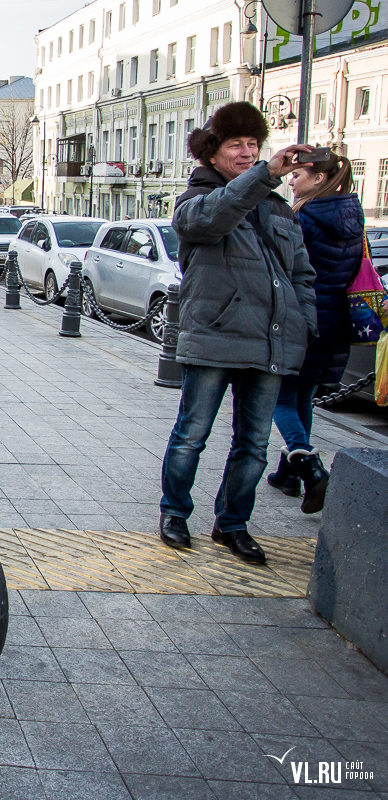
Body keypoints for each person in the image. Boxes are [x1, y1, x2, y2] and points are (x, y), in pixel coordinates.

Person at [158, 102, 317, 564]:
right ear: (212, 153)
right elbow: (214, 218)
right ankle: (174, 513)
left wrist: (302, 323)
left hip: (269, 341)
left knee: (254, 444)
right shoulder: (196, 200)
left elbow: (302, 274)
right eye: (236, 146)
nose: (247, 153)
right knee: (193, 433)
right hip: (215, 336)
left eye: (253, 145)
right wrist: (265, 173)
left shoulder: (278, 208)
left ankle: (232, 524)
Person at [264, 152, 364, 514]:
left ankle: (310, 469)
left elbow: (289, 267)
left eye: (299, 174)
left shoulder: (306, 215)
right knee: (301, 396)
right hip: (335, 320)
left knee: (280, 400)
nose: (292, 179)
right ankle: (287, 475)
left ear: (319, 179)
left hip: (302, 318)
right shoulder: (354, 213)